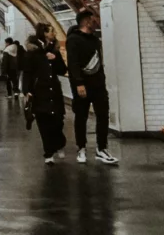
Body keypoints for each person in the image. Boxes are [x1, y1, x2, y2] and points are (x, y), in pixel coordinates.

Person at [67, 10, 118, 165]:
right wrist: (79, 84)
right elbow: (73, 64)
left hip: (98, 85)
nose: (97, 21)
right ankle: (81, 148)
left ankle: (101, 148)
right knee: (81, 117)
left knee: (103, 116)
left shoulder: (95, 39)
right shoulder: (73, 40)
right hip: (82, 86)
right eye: (95, 18)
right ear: (87, 21)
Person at [22, 34, 67, 165]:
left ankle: (59, 143)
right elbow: (27, 73)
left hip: (54, 91)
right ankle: (48, 152)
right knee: (43, 122)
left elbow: (62, 70)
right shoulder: (32, 54)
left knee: (58, 121)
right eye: (49, 32)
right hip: (39, 92)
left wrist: (55, 59)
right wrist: (27, 91)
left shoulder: (55, 52)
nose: (52, 35)